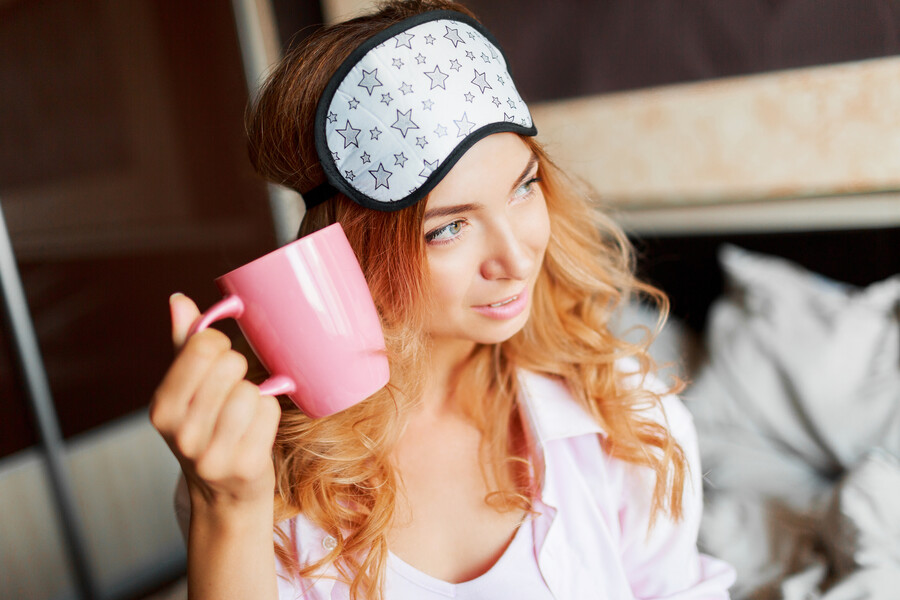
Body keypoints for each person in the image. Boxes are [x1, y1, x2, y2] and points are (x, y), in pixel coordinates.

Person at [150, 1, 736, 599]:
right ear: (346, 256)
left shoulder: (624, 412)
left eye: (524, 187)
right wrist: (227, 512)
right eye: (448, 228)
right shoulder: (261, 477)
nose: (515, 258)